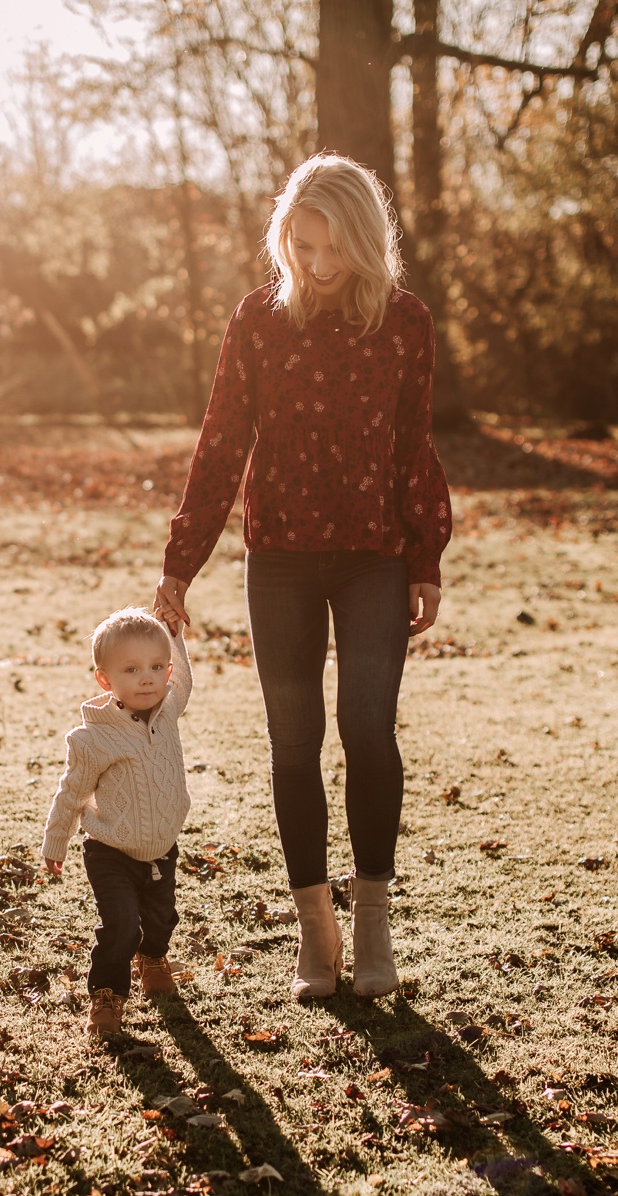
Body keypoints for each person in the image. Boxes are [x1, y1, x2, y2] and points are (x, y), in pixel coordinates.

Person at [152, 153, 452, 1002]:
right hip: (279, 556)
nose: (317, 266)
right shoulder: (258, 321)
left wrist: (426, 555)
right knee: (294, 740)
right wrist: (183, 560)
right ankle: (315, 933)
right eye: (302, 245)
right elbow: (221, 442)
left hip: (375, 558)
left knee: (367, 726)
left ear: (364, 239)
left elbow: (411, 445)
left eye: (332, 248)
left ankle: (374, 926)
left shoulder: (405, 323)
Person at [40, 607, 193, 1038]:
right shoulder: (93, 738)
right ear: (105, 680)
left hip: (162, 845)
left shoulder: (168, 709)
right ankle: (107, 995)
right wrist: (57, 841)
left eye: (156, 667)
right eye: (132, 669)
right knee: (122, 925)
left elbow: (183, 676)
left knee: (161, 919)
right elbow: (71, 793)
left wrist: (172, 633)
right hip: (110, 850)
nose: (148, 678)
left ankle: (154, 957)